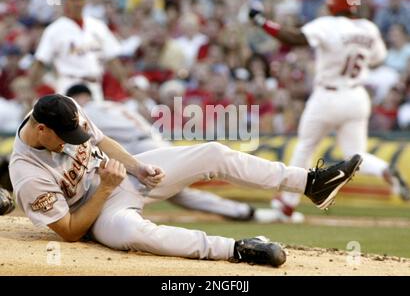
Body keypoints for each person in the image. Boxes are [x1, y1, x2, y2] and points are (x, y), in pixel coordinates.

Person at [9, 94, 361, 267]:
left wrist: (137, 167)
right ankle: (237, 249)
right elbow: (69, 230)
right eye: (64, 137)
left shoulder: (64, 108)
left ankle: (311, 183)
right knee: (135, 234)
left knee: (212, 152)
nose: (73, 140)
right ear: (41, 130)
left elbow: (101, 142)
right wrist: (105, 189)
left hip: (118, 177)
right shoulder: (27, 173)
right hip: (97, 213)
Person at [248, 0, 410, 222]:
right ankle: (384, 169)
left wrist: (262, 21)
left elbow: (293, 38)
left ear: (335, 4)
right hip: (356, 96)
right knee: (357, 154)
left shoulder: (327, 24)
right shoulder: (368, 28)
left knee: (305, 147)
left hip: (328, 95)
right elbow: (378, 58)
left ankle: (287, 203)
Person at [66, 83, 284, 223]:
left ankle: (114, 221)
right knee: (181, 194)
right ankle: (246, 212)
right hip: (158, 143)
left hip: (143, 151)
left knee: (129, 192)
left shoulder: (87, 112)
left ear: (76, 98)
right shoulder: (114, 105)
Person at [28, 0, 128, 101]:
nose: (77, 2)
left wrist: (125, 83)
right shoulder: (55, 29)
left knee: (94, 119)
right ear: (67, 1)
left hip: (94, 85)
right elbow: (40, 62)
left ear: (85, 0)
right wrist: (30, 88)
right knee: (68, 118)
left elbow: (113, 60)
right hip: (68, 84)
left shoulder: (97, 26)